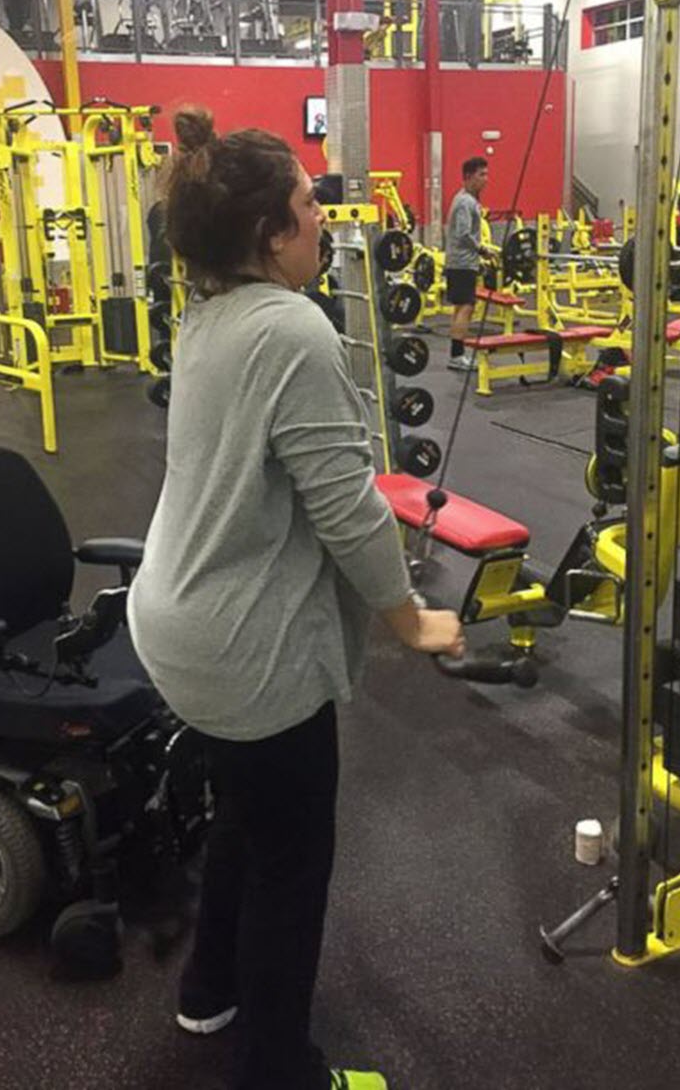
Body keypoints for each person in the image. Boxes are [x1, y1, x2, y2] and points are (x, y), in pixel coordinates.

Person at [128, 106, 466, 1090]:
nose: (324, 218)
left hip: (177, 627)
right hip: (247, 654)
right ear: (269, 234)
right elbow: (348, 510)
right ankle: (279, 1071)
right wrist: (410, 616)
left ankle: (206, 989)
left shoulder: (207, 314)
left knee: (245, 813)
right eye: (309, 205)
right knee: (292, 863)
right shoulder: (293, 329)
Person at [443, 156, 489, 371]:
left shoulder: (466, 199)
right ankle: (457, 355)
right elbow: (463, 234)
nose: (486, 179)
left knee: (461, 307)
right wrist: (482, 249)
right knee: (466, 307)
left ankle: (456, 354)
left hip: (460, 262)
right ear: (469, 177)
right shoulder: (465, 202)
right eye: (482, 175)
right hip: (462, 263)